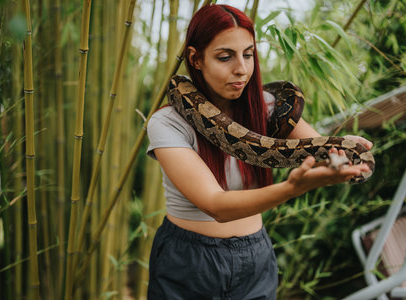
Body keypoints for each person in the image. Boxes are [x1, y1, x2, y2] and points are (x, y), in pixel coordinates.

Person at [146, 4, 372, 300]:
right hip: (188, 262)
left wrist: (342, 152)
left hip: (255, 255)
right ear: (195, 59)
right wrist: (292, 188)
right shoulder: (167, 122)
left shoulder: (268, 106)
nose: (241, 69)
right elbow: (216, 205)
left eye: (248, 54)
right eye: (225, 57)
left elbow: (322, 149)